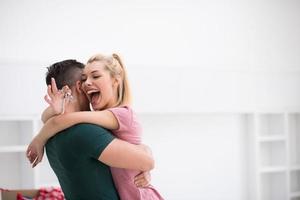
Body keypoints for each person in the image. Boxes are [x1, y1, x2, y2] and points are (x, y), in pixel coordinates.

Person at [27, 59, 155, 200]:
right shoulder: (85, 132)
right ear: (79, 86)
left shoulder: (51, 138)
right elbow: (148, 160)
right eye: (85, 79)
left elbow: (53, 120)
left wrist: (40, 137)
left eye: (95, 77)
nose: (88, 83)